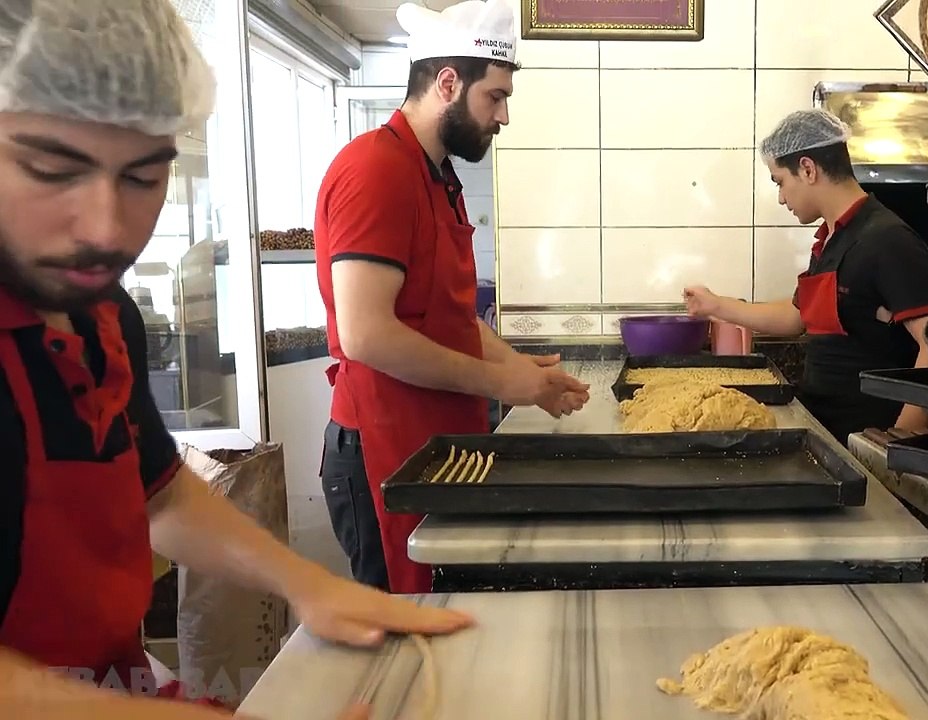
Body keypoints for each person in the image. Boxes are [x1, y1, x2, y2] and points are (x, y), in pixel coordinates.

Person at [0, 2, 471, 717]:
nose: (104, 228)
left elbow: (156, 490)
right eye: (50, 168)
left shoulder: (101, 314)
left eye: (141, 176)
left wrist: (307, 585)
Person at [315, 0, 590, 595]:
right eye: (496, 96)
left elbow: (448, 317)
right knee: (404, 640)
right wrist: (500, 385)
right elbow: (366, 333)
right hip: (382, 450)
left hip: (432, 443)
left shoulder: (435, 176)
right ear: (447, 83)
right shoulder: (376, 170)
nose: (505, 116)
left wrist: (518, 370)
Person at [684, 110, 928, 440]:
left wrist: (898, 441)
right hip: (825, 431)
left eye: (780, 182)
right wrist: (715, 305)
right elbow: (796, 316)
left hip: (868, 439)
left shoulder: (887, 240)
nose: (780, 197)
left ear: (807, 169)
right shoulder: (831, 239)